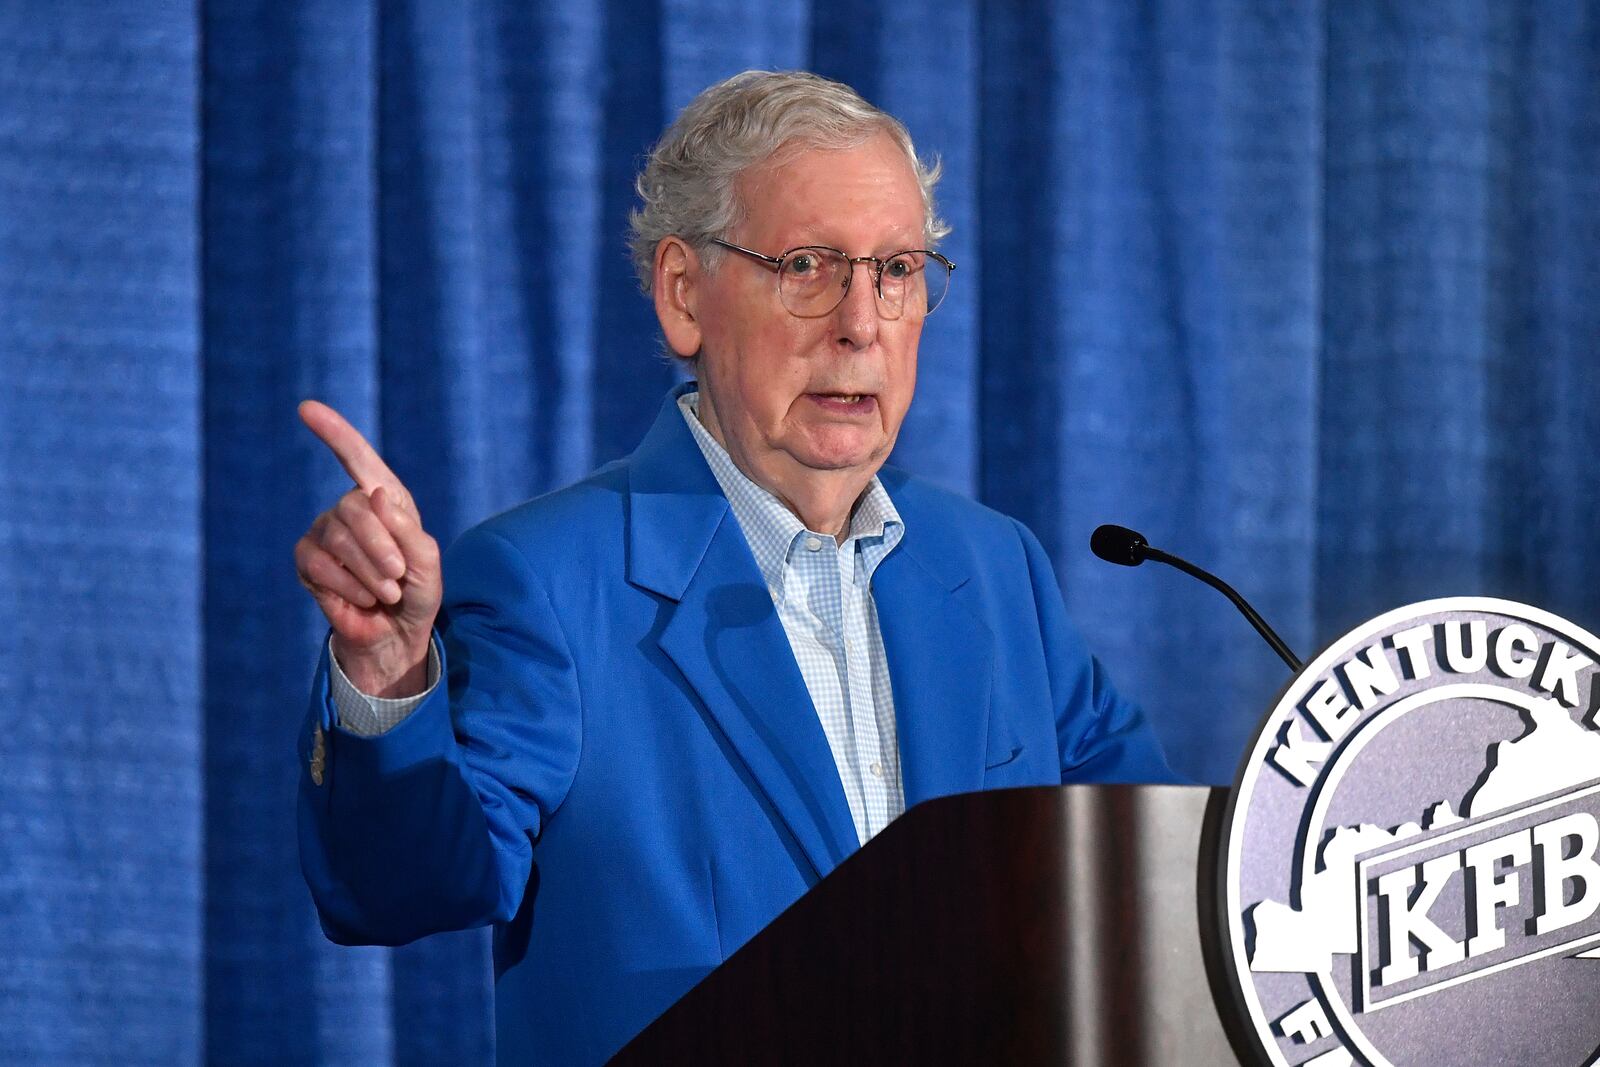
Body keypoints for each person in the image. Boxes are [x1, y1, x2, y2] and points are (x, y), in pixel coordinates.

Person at [294, 70, 1172, 1065]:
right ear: (683, 295)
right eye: (807, 265)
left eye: (895, 269)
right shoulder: (548, 580)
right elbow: (401, 886)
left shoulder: (993, 566)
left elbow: (1153, 872)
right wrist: (388, 677)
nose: (862, 320)